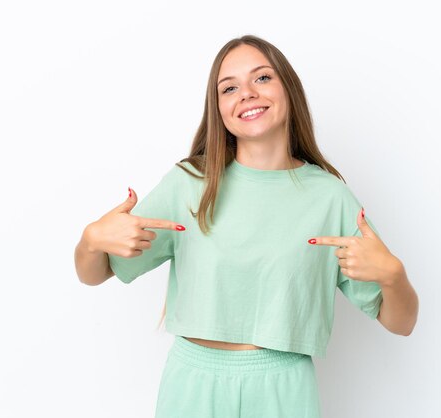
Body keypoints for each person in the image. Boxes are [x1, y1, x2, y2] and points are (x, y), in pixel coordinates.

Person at [75, 34, 419, 418]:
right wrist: (90, 242)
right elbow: (95, 274)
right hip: (192, 386)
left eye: (262, 78)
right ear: (218, 106)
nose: (247, 94)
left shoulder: (329, 198)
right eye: (230, 87)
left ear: (288, 89)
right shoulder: (189, 184)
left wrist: (393, 275)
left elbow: (401, 322)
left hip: (284, 389)